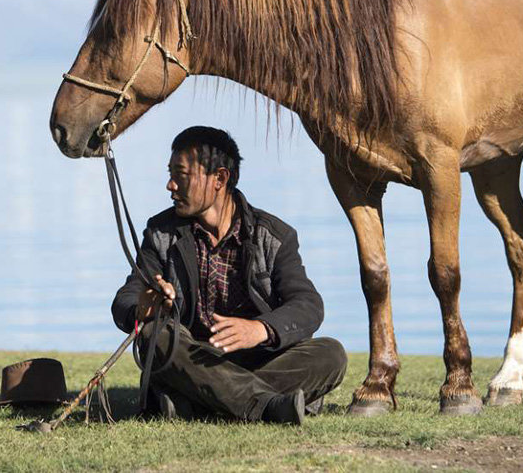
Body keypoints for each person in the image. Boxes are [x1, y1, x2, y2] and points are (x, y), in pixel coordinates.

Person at [111, 126, 347, 425]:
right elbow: (124, 301)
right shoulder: (160, 233)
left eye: (181, 175)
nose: (170, 185)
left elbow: (308, 305)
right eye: (170, 174)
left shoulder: (275, 235)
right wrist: (143, 306)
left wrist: (260, 330)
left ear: (219, 179)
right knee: (153, 336)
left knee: (331, 354)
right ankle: (267, 407)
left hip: (259, 357)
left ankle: (200, 405)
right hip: (191, 358)